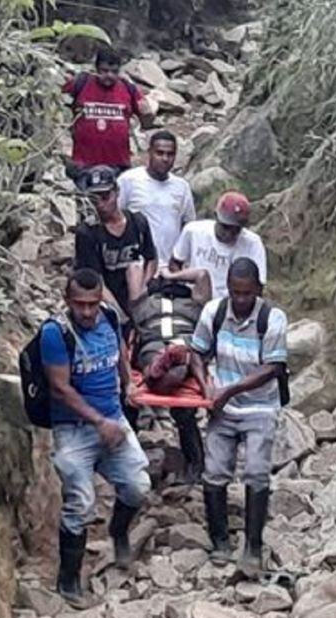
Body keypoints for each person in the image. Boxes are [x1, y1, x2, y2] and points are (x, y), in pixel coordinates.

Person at [42, 268, 150, 609]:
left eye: (92, 303)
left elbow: (119, 350)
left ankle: (118, 533)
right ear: (67, 300)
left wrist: (128, 383)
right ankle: (69, 577)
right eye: (80, 305)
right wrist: (98, 421)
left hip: (113, 420)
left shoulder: (108, 316)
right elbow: (60, 388)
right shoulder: (55, 334)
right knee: (81, 503)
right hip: (74, 429)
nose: (87, 312)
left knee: (137, 486)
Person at [191, 258, 287, 577]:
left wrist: (228, 391)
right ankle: (219, 540)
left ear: (258, 289)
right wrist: (207, 387)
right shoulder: (214, 313)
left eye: (247, 293)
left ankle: (253, 547)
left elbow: (273, 367)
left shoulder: (272, 318)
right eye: (235, 293)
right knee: (215, 471)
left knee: (257, 472)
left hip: (260, 406)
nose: (241, 300)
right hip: (223, 406)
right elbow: (197, 352)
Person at [128, 281, 210, 483]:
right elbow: (203, 276)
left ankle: (159, 367)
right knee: (184, 413)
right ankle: (196, 465)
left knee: (151, 368)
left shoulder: (143, 305)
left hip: (153, 344)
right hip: (185, 343)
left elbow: (134, 337)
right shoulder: (195, 307)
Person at [74, 166, 158, 319]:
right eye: (94, 198)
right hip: (106, 304)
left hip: (139, 297)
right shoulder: (87, 233)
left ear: (117, 192)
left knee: (135, 267)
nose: (100, 204)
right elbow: (96, 280)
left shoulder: (138, 222)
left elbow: (150, 259)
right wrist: (120, 316)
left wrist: (142, 294)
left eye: (105, 196)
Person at [62, 48, 155, 182]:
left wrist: (147, 113)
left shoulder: (128, 88)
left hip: (118, 165)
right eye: (105, 71)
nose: (109, 75)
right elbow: (56, 97)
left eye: (114, 71)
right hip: (84, 165)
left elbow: (147, 123)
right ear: (96, 69)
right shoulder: (81, 83)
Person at [165, 191, 266, 300]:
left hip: (230, 303)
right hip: (194, 298)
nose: (230, 234)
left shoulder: (252, 243)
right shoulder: (194, 231)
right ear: (216, 217)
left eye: (236, 229)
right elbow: (176, 261)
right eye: (226, 227)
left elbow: (258, 285)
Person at [117, 130, 196, 268]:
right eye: (159, 153)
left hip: (169, 267)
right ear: (150, 153)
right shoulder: (128, 180)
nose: (165, 158)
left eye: (170, 154)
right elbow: (114, 218)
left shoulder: (182, 187)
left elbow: (188, 227)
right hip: (136, 266)